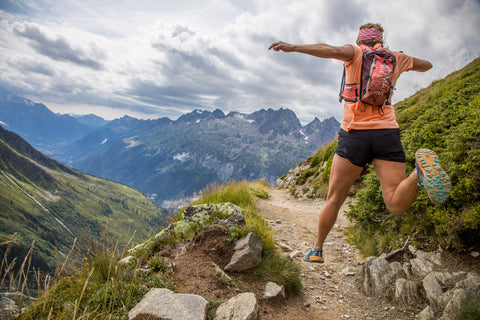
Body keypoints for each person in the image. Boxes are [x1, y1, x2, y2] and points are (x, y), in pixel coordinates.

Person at [268, 23, 451, 263]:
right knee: (395, 202)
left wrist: (293, 47)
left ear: (359, 39)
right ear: (381, 42)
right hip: (387, 133)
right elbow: (428, 66)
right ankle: (418, 173)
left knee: (334, 198)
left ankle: (317, 250)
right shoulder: (396, 58)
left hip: (354, 135)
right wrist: (402, 58)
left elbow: (328, 49)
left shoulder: (354, 53)